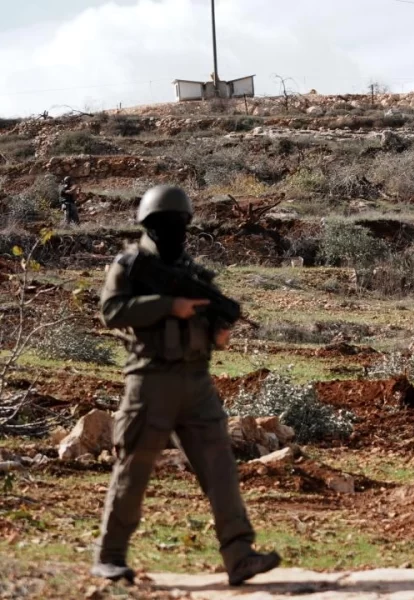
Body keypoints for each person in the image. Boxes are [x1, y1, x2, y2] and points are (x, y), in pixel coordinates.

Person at [92, 185, 280, 586]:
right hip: (150, 380)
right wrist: (167, 306)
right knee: (134, 470)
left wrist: (218, 329)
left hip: (197, 384)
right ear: (147, 225)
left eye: (177, 224)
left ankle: (240, 556)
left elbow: (212, 332)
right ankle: (109, 557)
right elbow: (110, 311)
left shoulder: (191, 274)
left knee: (220, 470)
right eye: (164, 224)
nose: (171, 230)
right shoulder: (130, 265)